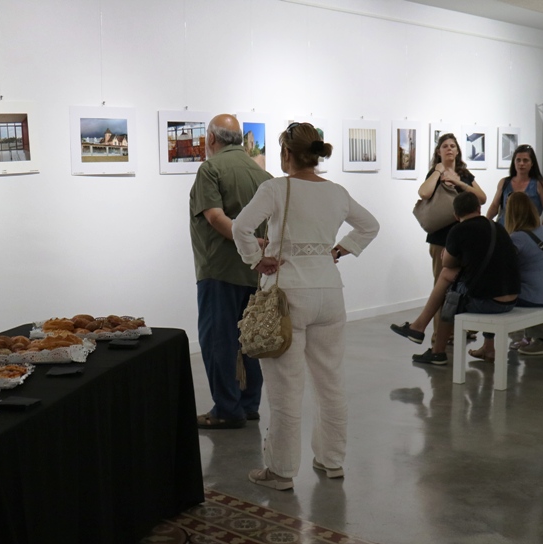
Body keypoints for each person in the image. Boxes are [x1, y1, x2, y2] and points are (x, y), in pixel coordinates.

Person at [232, 122, 379, 490]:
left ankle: (281, 471)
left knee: (285, 389)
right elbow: (370, 226)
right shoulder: (336, 192)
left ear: (285, 153)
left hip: (288, 295)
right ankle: (332, 460)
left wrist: (255, 260)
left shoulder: (275, 188)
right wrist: (341, 249)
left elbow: (241, 228)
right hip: (330, 292)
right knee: (330, 381)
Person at [189, 113, 272, 429]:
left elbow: (214, 217)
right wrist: (258, 245)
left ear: (211, 138)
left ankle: (226, 408)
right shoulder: (260, 173)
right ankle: (249, 404)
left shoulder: (210, 169)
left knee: (219, 341)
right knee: (250, 339)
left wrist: (244, 237)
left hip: (219, 269)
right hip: (254, 271)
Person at [391, 191, 520, 364]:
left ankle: (433, 345)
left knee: (450, 294)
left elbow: (447, 263)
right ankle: (421, 330)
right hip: (512, 299)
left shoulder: (459, 230)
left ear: (455, 214)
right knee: (453, 284)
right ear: (478, 208)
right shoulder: (497, 227)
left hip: (489, 303)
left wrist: (447, 254)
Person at [467, 192, 543, 361]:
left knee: (496, 296)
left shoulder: (516, 238)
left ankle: (488, 346)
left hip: (535, 297)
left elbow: (502, 270)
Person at [418, 134, 487, 340]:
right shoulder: (435, 172)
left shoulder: (464, 174)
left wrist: (459, 183)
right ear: (438, 151)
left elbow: (482, 198)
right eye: (445, 146)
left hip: (465, 238)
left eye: (452, 146)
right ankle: (439, 334)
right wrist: (439, 170)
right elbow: (424, 193)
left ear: (458, 151)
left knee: (461, 287)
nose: (449, 149)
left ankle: (456, 331)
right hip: (441, 239)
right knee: (441, 286)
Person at [486, 144, 543, 227]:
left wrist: (542, 233)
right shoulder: (504, 182)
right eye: (518, 160)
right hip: (505, 231)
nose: (521, 163)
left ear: (532, 163)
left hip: (529, 232)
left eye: (525, 160)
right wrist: (486, 223)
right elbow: (494, 206)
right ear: (514, 162)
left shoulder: (540, 185)